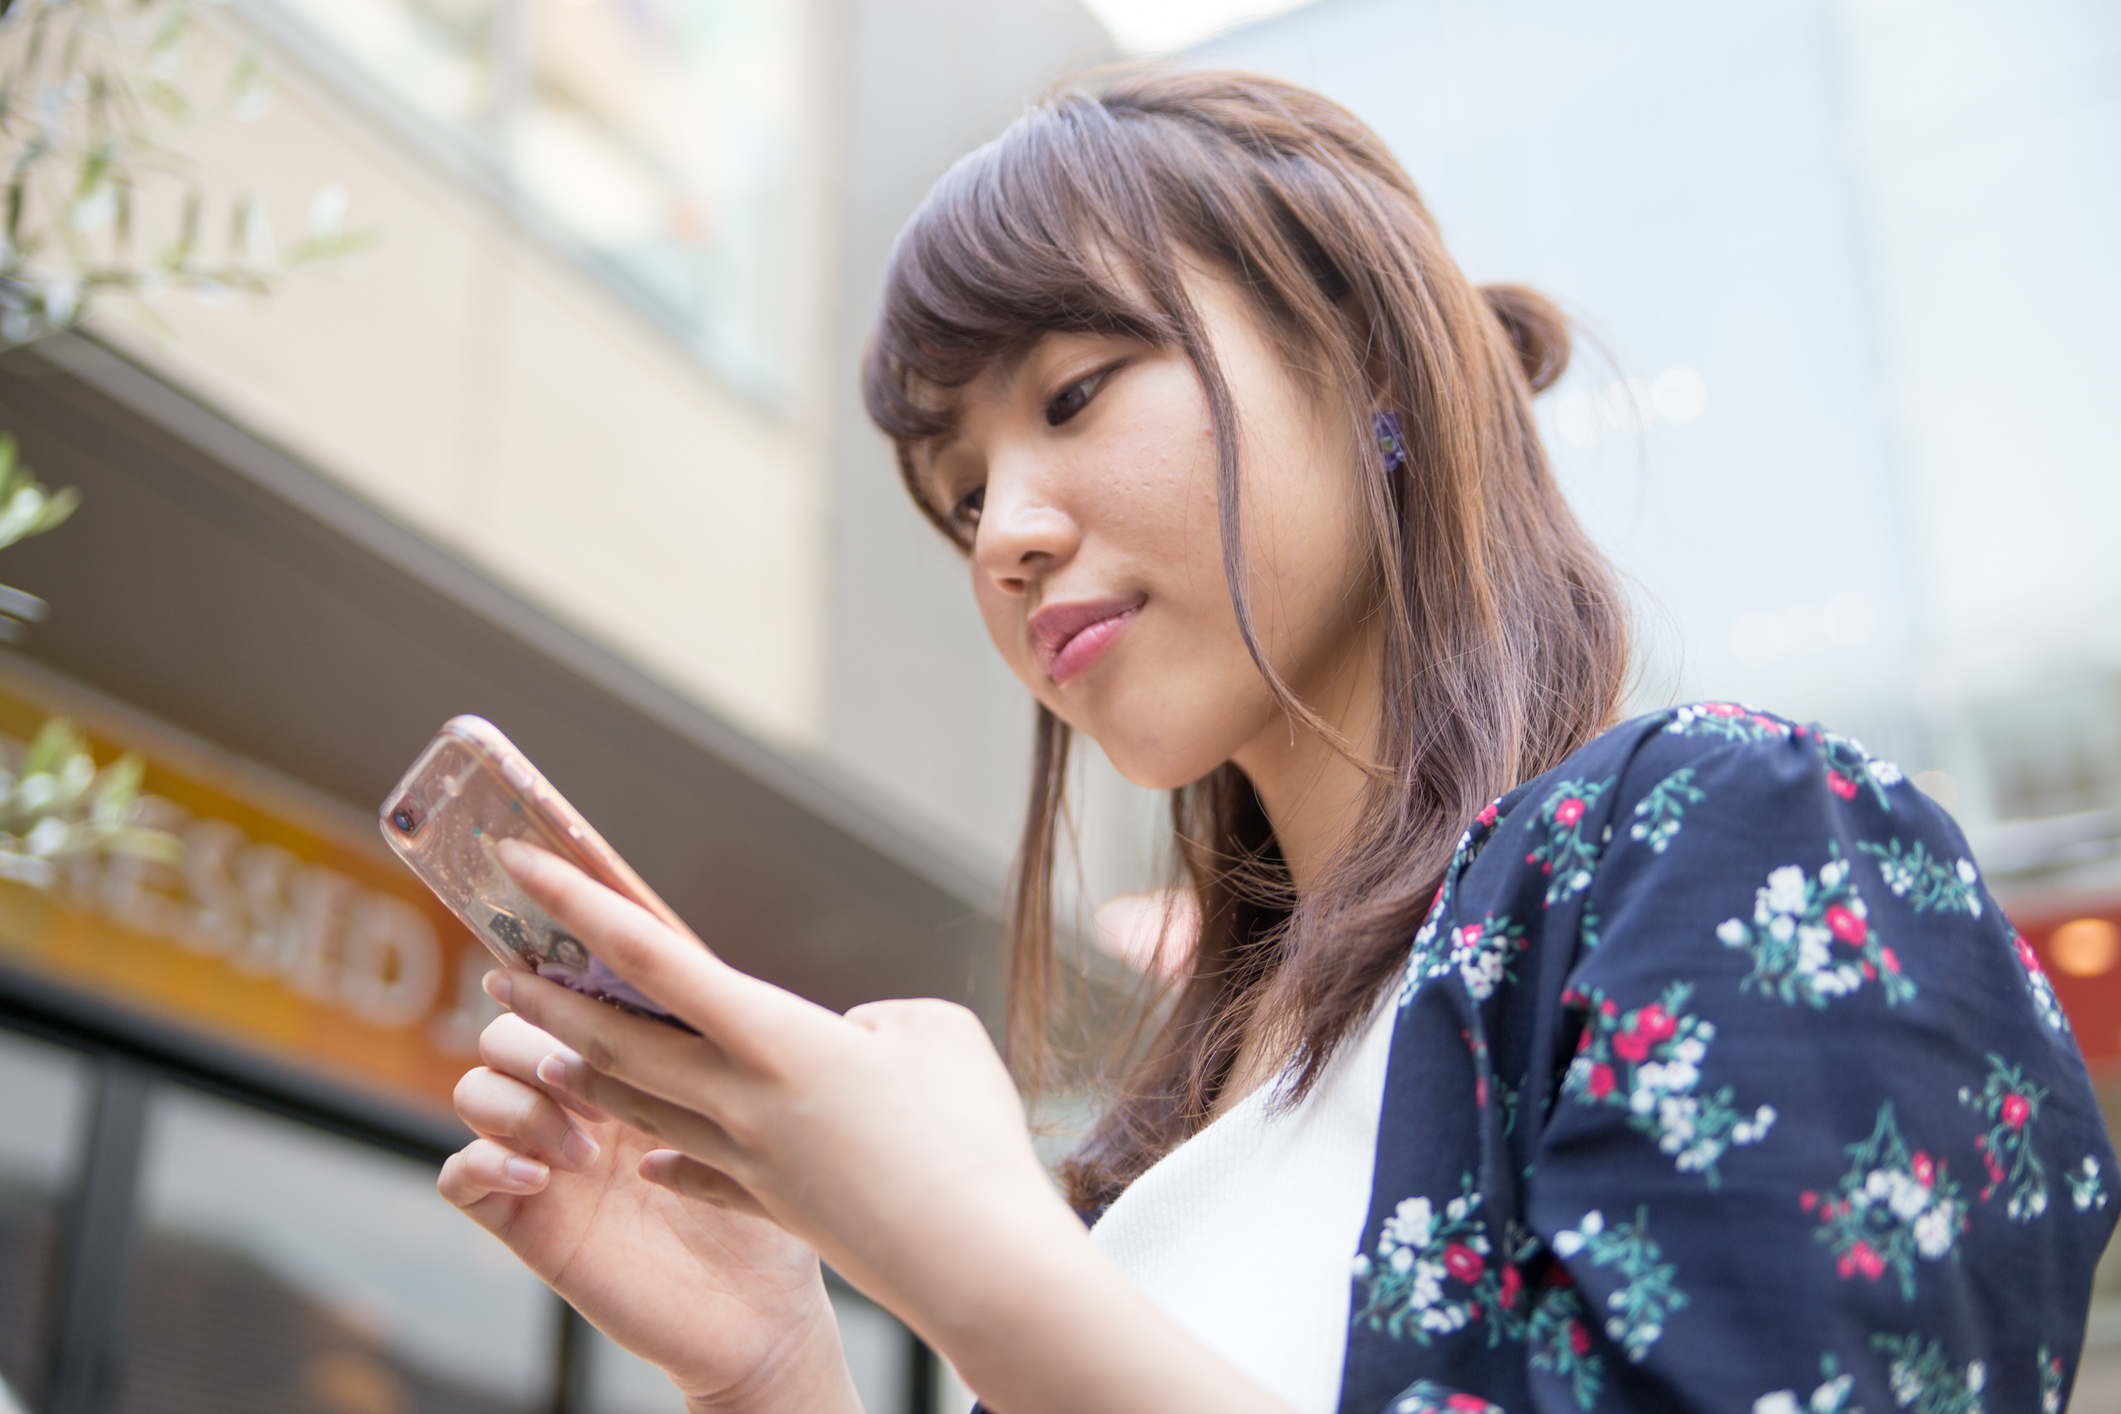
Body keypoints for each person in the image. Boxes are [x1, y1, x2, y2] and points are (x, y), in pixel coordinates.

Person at [436, 68, 2116, 1414]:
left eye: (1077, 391)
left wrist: (967, 1259)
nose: (1004, 530)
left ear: (1365, 360)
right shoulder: (1166, 1137)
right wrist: (770, 1371)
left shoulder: (1732, 834)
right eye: (956, 498)